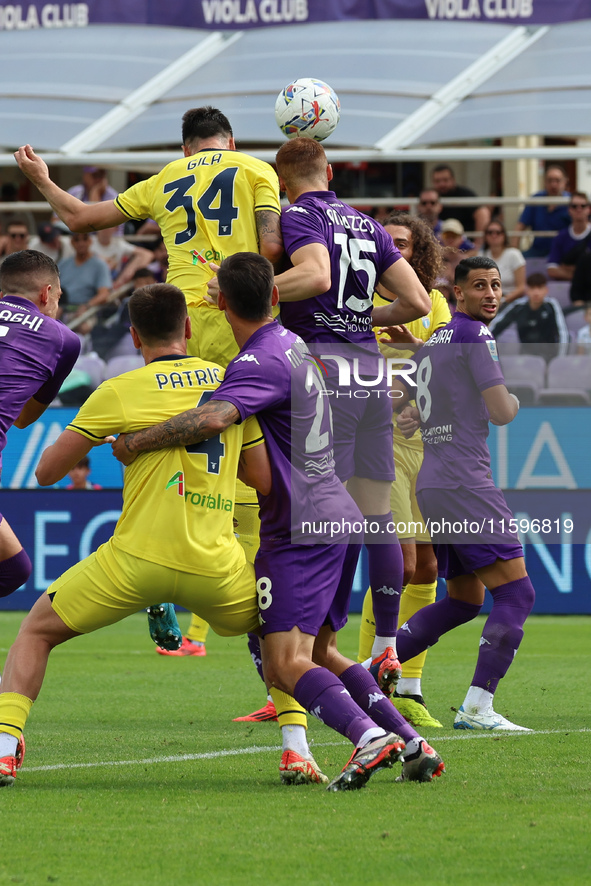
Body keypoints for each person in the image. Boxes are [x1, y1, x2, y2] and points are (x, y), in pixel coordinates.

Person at [112, 253, 445, 789]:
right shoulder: (295, 345)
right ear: (275, 296)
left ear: (220, 303)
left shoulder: (254, 363)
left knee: (282, 663)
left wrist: (134, 443)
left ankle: (367, 738)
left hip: (300, 528)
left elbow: (216, 419)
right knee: (322, 652)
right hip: (340, 512)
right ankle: (411, 741)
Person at [0, 282, 270, 788]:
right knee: (284, 632)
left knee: (35, 631)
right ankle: (300, 747)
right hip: (216, 564)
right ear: (188, 329)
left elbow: (46, 473)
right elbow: (260, 478)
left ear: (134, 336)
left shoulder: (118, 389)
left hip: (134, 563)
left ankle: (2, 749)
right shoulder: (231, 382)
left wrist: (118, 439)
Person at [267, 137, 431, 698]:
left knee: (326, 512)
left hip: (325, 371)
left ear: (282, 179)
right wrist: (363, 315)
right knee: (375, 510)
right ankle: (386, 644)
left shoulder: (297, 216)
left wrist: (252, 291)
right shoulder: (366, 223)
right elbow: (418, 304)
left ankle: (313, 641)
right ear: (330, 170)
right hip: (369, 370)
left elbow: (311, 278)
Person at [15, 106, 283, 367]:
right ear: (232, 143)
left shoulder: (162, 180)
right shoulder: (257, 169)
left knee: (188, 407)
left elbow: (80, 219)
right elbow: (271, 248)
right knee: (244, 403)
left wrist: (42, 180)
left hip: (181, 319)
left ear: (186, 151)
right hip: (237, 308)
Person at [389, 256, 536, 731]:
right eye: (479, 286)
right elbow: (502, 412)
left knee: (464, 600)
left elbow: (411, 406)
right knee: (517, 593)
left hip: (434, 483)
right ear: (457, 293)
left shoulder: (434, 340)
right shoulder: (476, 335)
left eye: (496, 285)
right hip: (464, 481)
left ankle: (369, 677)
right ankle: (477, 707)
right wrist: (514, 399)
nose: (491, 293)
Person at [356, 212, 450, 729]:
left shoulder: (431, 303)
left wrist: (418, 396)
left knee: (430, 568)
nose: (392, 249)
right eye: (384, 243)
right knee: (402, 562)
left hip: (427, 443)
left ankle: (409, 684)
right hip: (379, 442)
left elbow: (451, 371)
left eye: (401, 244)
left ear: (417, 253)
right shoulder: (357, 301)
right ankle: (373, 678)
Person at [490, 271, 569, 360]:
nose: (536, 292)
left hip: (549, 356)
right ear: (527, 290)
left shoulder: (551, 306)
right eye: (532, 288)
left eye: (540, 288)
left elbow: (562, 334)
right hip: (525, 356)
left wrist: (560, 359)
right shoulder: (518, 306)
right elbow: (494, 328)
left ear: (546, 290)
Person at [513, 165, 571, 258]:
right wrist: (514, 254)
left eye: (557, 180)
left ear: (565, 182)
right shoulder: (536, 199)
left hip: (563, 252)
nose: (553, 184)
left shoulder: (572, 202)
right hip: (538, 251)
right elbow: (520, 226)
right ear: (544, 182)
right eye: (550, 180)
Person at [58, 231, 112, 316]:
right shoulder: (63, 264)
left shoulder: (99, 265)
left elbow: (104, 294)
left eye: (85, 239)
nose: (81, 243)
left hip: (86, 310)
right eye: (77, 240)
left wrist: (87, 306)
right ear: (71, 242)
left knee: (84, 326)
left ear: (90, 241)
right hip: (61, 308)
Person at [431, 164, 490, 241]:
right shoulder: (430, 197)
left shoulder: (464, 194)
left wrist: (478, 243)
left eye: (445, 180)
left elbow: (483, 213)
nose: (442, 184)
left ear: (453, 180)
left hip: (465, 243)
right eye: (437, 181)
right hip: (439, 242)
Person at [547, 192, 591, 282]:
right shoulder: (560, 237)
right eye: (574, 206)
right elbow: (552, 270)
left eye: (583, 206)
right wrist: (583, 273)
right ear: (569, 210)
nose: (579, 209)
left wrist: (567, 268)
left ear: (589, 209)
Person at [480, 220, 526, 304]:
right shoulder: (481, 256)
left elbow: (522, 287)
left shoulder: (514, 254)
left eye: (498, 232)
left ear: (504, 235)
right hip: (486, 299)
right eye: (490, 232)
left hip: (511, 300)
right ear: (485, 236)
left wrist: (504, 300)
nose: (494, 235)